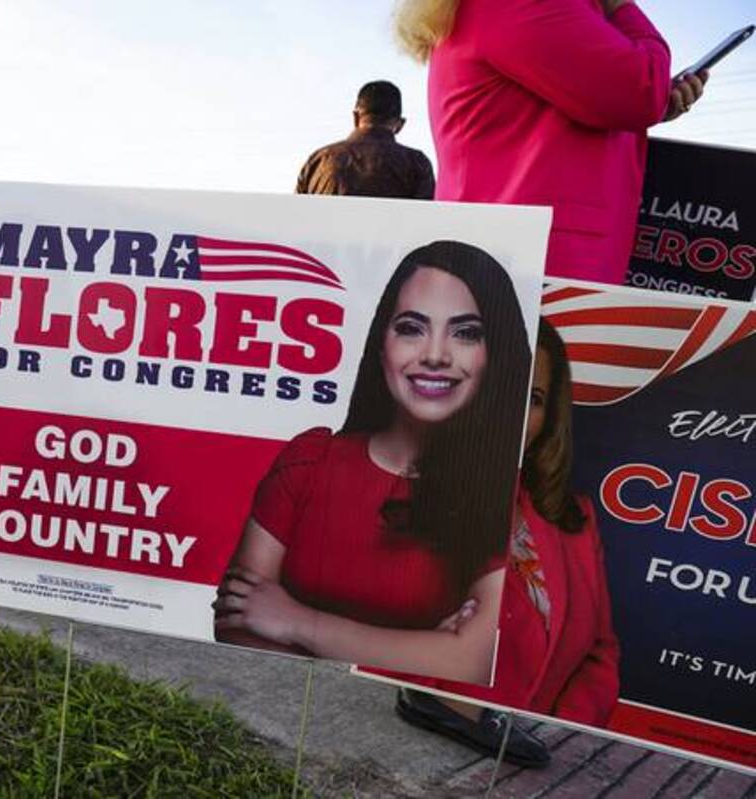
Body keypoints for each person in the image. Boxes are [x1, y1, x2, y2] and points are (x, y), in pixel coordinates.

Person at [214, 240, 531, 685]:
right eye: (411, 328)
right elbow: (236, 624)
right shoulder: (311, 461)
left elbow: (475, 663)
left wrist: (298, 623)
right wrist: (420, 655)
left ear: (493, 355)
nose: (436, 354)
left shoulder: (503, 494)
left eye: (465, 333)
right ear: (381, 345)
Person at [393, 319, 619, 767]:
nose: (516, 413)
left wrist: (557, 736)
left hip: (539, 758)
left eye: (533, 399)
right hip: (435, 745)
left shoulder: (576, 517)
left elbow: (601, 652)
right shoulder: (398, 496)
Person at [395, 0, 707, 283]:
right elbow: (640, 88)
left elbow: (568, 108)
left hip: (510, 248)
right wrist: (619, 5)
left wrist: (649, 106)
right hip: (536, 258)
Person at [296, 81, 435, 199]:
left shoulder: (318, 161)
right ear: (399, 125)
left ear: (356, 117)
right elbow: (425, 222)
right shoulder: (417, 164)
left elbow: (297, 219)